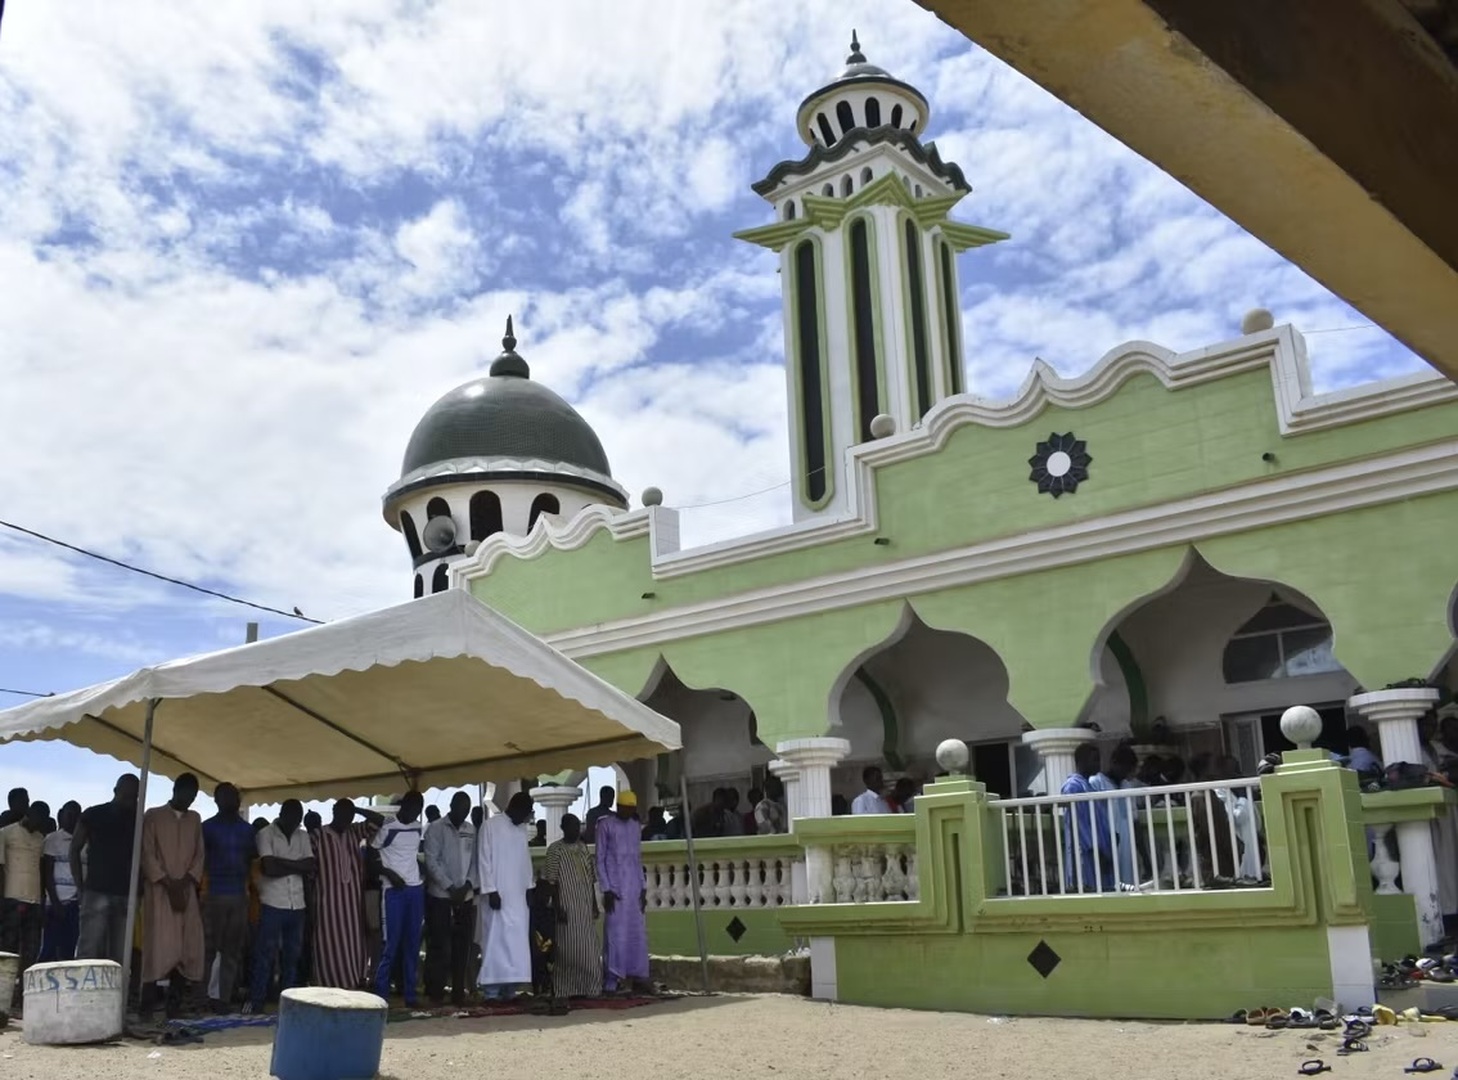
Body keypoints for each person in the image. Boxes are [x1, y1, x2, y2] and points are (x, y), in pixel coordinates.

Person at [140, 773, 206, 1018]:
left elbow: (200, 855)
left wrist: (186, 882)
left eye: (194, 796)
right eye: (186, 793)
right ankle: (146, 1006)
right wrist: (169, 883)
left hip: (186, 890)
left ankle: (174, 1006)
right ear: (176, 790)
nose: (189, 800)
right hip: (159, 891)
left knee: (187, 945)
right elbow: (147, 854)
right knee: (157, 945)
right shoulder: (153, 816)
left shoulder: (195, 819)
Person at [249, 799, 315, 1014]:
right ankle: (258, 1001)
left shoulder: (303, 835)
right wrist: (297, 865)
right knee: (265, 955)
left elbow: (311, 866)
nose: (296, 821)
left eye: (299, 817)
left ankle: (286, 1003)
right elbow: (268, 868)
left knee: (292, 958)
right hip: (272, 903)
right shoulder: (265, 834)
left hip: (297, 905)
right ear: (282, 813)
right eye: (293, 816)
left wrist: (282, 863)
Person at [313, 798, 384, 991]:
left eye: (350, 814)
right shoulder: (318, 836)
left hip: (353, 902)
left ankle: (356, 981)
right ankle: (328, 985)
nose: (347, 817)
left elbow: (379, 820)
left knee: (354, 945)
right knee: (329, 945)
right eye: (344, 812)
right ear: (334, 811)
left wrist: (358, 809)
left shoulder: (355, 831)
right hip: (327, 903)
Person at [73, 774, 139, 963]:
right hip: (96, 891)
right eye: (126, 795)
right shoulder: (94, 814)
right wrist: (80, 887)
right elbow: (74, 850)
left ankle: (115, 993)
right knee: (89, 951)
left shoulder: (138, 820)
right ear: (116, 791)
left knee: (120, 956)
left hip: (126, 894)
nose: (130, 801)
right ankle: (84, 993)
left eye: (134, 797)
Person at [201, 783, 256, 1011]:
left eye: (235, 797)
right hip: (213, 893)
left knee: (232, 950)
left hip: (238, 895)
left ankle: (223, 999)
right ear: (216, 800)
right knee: (208, 949)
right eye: (226, 797)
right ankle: (201, 998)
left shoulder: (247, 830)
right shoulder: (207, 828)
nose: (232, 801)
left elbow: (251, 859)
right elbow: (201, 860)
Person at [477, 792, 534, 1000]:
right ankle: (491, 992)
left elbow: (525, 861)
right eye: (527, 813)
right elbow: (483, 859)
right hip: (497, 896)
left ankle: (509, 990)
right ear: (516, 807)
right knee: (495, 941)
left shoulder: (521, 830)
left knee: (516, 945)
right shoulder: (490, 826)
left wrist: (529, 887)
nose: (528, 818)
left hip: (518, 897)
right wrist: (490, 890)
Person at [423, 791, 477, 1006]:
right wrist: (449, 887)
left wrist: (467, 886)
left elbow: (476, 862)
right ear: (452, 806)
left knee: (462, 947)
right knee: (439, 946)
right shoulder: (436, 828)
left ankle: (458, 991)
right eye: (460, 808)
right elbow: (431, 861)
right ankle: (435, 992)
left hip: (465, 897)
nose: (462, 813)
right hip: (441, 897)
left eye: (466, 810)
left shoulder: (471, 830)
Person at [373, 791, 427, 1006]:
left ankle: (410, 995)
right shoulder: (388, 828)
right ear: (404, 806)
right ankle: (381, 994)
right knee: (391, 944)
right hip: (393, 892)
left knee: (413, 944)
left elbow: (411, 855)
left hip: (415, 889)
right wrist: (388, 874)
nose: (416, 812)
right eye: (414, 807)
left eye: (419, 808)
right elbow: (371, 855)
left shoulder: (417, 828)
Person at [541, 812, 599, 999]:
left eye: (578, 826)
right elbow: (551, 882)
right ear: (563, 828)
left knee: (589, 952)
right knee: (568, 951)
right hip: (566, 908)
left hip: (585, 908)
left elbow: (591, 879)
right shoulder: (555, 850)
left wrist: (594, 905)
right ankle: (565, 990)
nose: (577, 829)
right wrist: (557, 908)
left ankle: (591, 989)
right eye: (573, 826)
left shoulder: (583, 849)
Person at [596, 790, 648, 995]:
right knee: (615, 936)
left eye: (632, 809)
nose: (629, 812)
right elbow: (600, 859)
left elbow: (638, 858)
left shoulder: (635, 826)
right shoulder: (605, 825)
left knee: (636, 935)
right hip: (615, 890)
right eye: (626, 809)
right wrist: (606, 889)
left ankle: (638, 976)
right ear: (619, 807)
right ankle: (612, 979)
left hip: (634, 888)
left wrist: (643, 888)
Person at [0, 799, 49, 1011]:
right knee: (8, 950)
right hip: (12, 899)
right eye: (37, 818)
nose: (39, 823)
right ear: (29, 813)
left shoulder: (41, 839)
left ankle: (22, 997)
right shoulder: (6, 833)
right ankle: (5, 996)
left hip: (35, 901)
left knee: (30, 950)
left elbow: (43, 869)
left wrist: (44, 898)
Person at [1061, 743, 1109, 891]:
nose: (1098, 764)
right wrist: (1095, 850)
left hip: (1100, 853)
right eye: (1094, 759)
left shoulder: (1089, 787)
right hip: (1085, 856)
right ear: (1081, 762)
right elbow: (1078, 824)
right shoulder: (1073, 787)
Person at [1090, 745, 1137, 888]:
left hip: (1127, 843)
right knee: (1109, 883)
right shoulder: (1096, 782)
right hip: (1107, 841)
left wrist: (1144, 856)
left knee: (1128, 884)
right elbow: (1092, 818)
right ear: (1114, 763)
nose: (1126, 774)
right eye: (1125, 768)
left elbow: (1134, 820)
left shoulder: (1127, 786)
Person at [40, 800, 82, 962]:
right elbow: (47, 874)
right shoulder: (52, 839)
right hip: (56, 903)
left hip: (75, 903)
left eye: (76, 815)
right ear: (62, 815)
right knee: (49, 948)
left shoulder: (84, 840)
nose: (72, 819)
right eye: (69, 815)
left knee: (69, 948)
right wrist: (55, 902)